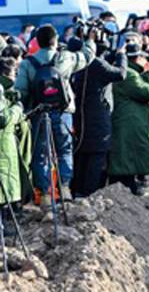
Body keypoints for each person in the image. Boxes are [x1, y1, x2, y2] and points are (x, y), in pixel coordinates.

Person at [15, 24, 95, 208]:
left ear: (37, 41)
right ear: (55, 40)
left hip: (39, 113)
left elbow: (21, 91)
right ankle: (65, 187)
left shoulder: (28, 63)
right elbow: (87, 56)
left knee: (41, 154)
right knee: (64, 150)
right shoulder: (64, 57)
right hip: (62, 112)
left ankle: (44, 194)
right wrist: (89, 39)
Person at [71, 36, 127, 198]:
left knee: (82, 155)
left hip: (81, 117)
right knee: (97, 154)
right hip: (97, 118)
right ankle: (90, 193)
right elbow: (120, 74)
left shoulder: (77, 63)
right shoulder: (96, 65)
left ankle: (79, 191)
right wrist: (121, 55)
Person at [109, 42, 149, 195]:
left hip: (130, 120)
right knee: (129, 155)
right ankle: (127, 186)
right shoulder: (128, 74)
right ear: (135, 58)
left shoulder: (130, 72)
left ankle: (130, 184)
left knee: (129, 154)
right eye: (141, 57)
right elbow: (144, 91)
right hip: (128, 121)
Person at [0, 62, 24, 223]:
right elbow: (3, 119)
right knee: (4, 181)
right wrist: (16, 109)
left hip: (5, 142)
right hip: (3, 143)